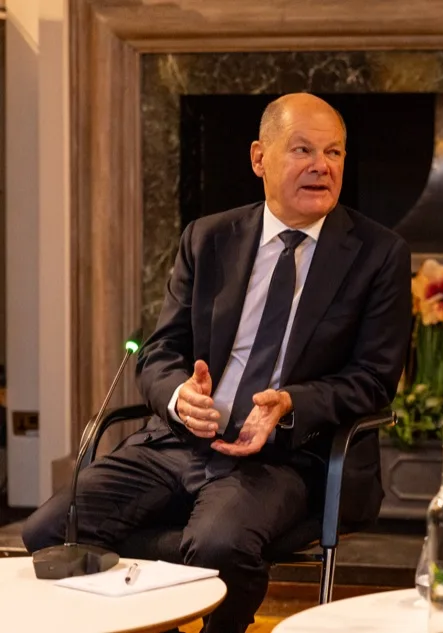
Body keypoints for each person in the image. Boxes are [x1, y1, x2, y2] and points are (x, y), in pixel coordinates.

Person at [22, 93, 412, 633]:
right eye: (302, 149)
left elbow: (373, 380)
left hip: (286, 455)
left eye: (334, 152)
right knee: (49, 529)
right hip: (178, 443)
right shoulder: (208, 239)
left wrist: (291, 404)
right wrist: (180, 397)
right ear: (259, 158)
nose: (322, 166)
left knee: (218, 544)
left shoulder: (378, 253)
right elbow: (160, 352)